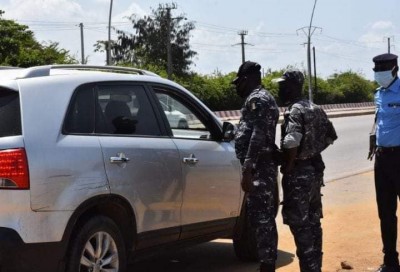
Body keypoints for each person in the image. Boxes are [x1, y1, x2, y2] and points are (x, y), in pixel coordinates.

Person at [276, 69, 337, 272]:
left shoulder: (295, 110)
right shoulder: (316, 108)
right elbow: (330, 136)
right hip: (314, 171)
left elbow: (292, 140)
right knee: (313, 223)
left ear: (293, 86)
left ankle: (309, 268)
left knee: (300, 226)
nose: (281, 88)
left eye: (284, 85)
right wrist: (313, 150)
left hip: (299, 175)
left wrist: (291, 162)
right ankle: (315, 267)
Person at [232, 61, 280, 272]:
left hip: (260, 167)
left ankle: (267, 265)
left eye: (240, 81)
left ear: (249, 79)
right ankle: (266, 263)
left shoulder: (258, 100)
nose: (237, 86)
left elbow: (258, 135)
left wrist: (248, 168)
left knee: (262, 219)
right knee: (261, 217)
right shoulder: (258, 99)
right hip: (260, 165)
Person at [369, 53, 400, 272]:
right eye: (376, 69)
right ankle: (390, 261)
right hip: (382, 159)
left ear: (394, 69)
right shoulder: (378, 94)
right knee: (385, 212)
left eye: (382, 69)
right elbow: (378, 119)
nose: (378, 73)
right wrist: (373, 137)